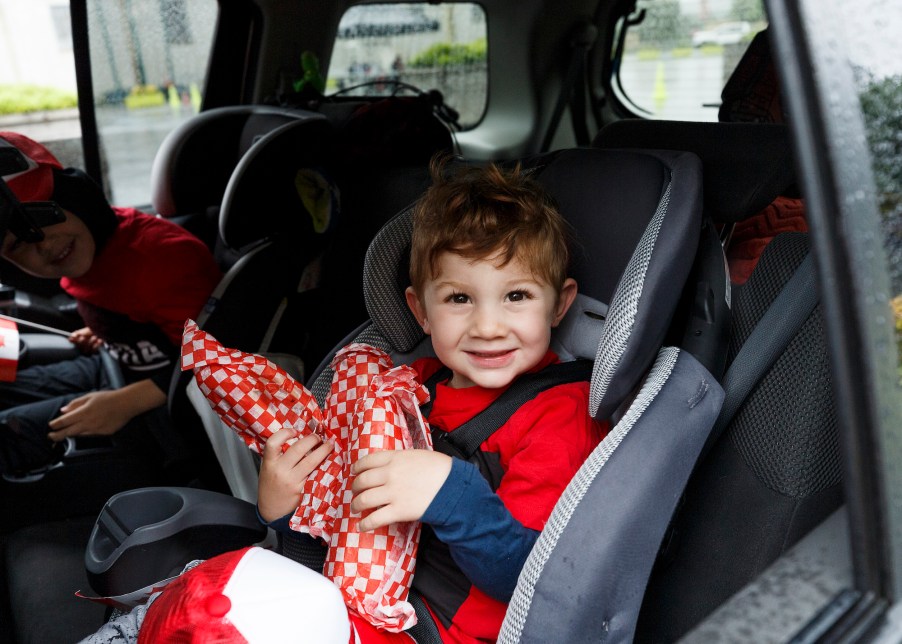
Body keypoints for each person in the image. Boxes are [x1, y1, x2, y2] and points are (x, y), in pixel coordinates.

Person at [92, 157, 606, 643]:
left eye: (516, 296)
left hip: (436, 632)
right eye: (458, 298)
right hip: (349, 602)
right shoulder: (402, 388)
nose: (488, 326)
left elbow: (538, 580)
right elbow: (334, 537)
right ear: (420, 311)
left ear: (559, 304)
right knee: (206, 593)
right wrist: (283, 509)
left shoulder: (557, 413)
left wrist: (454, 496)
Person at [0, 131, 222, 478]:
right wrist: (106, 329)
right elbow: (134, 306)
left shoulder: (158, 260)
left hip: (172, 400)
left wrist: (126, 401)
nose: (43, 246)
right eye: (17, 245)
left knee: (7, 436)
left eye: (43, 216)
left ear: (76, 197)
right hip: (119, 361)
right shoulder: (89, 250)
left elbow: (218, 358)